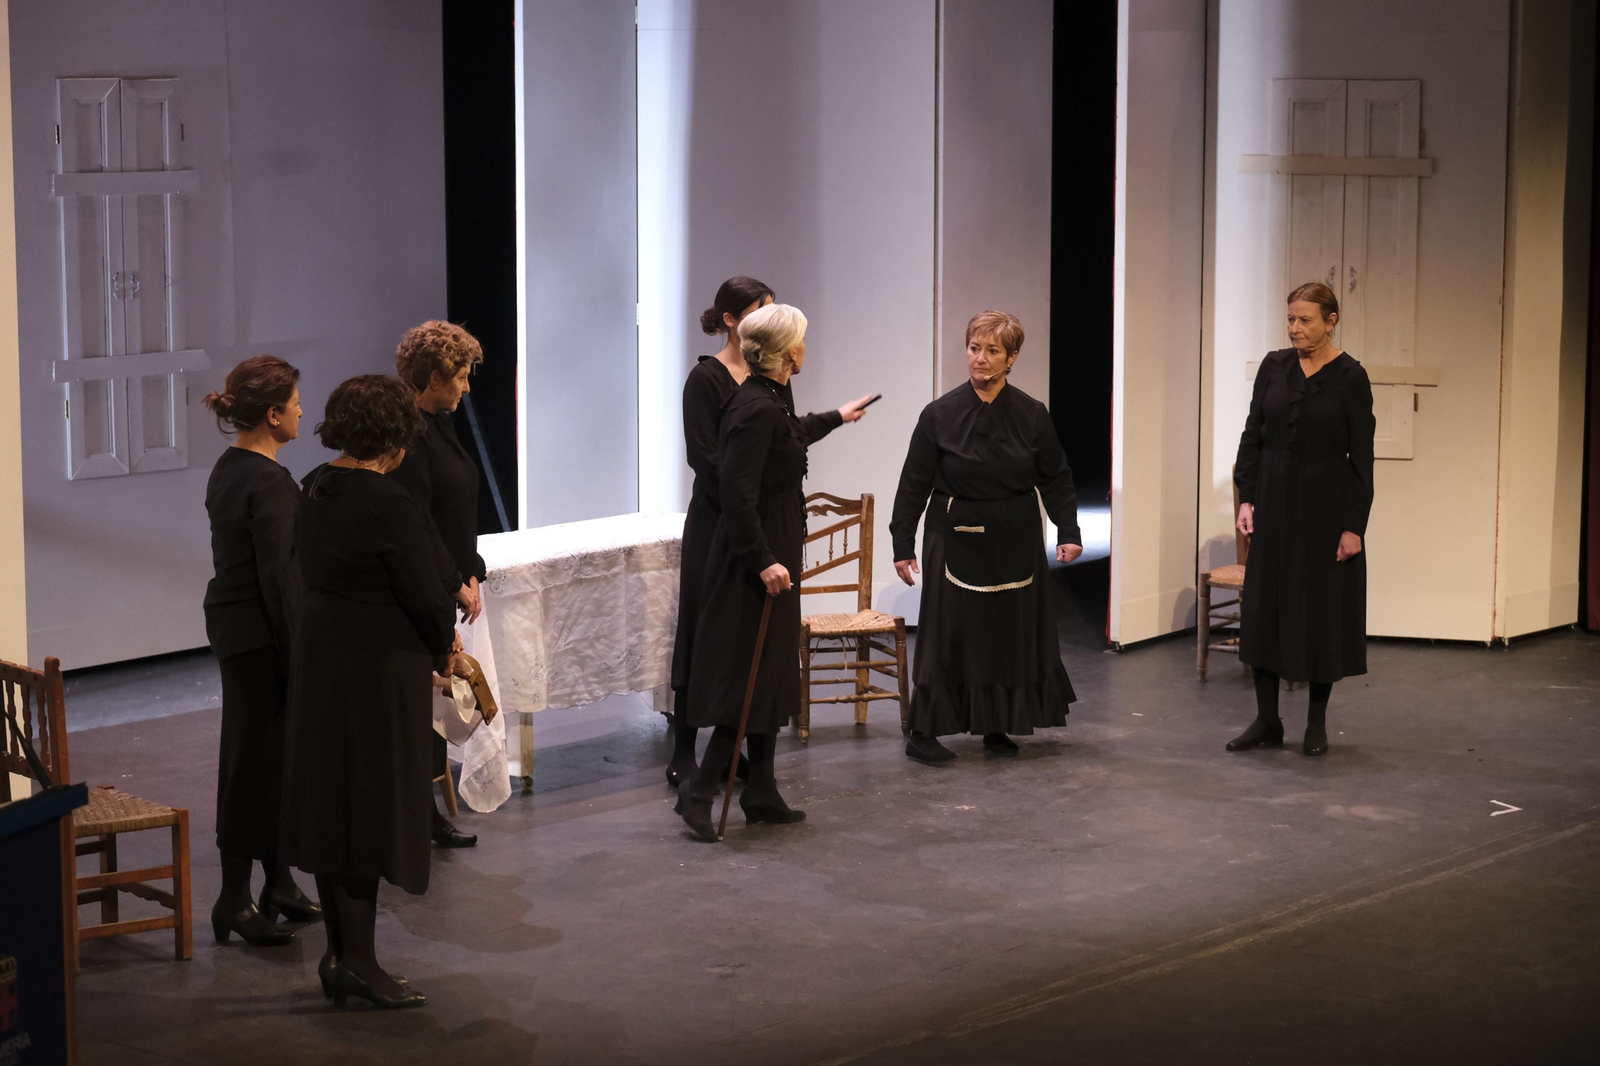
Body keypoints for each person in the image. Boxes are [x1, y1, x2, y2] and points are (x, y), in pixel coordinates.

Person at [279, 375, 459, 1009]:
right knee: (368, 810)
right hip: (377, 672)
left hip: (327, 662)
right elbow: (427, 595)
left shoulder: (317, 486)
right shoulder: (385, 501)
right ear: (396, 435)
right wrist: (444, 646)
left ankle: (343, 956)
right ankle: (355, 960)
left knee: (338, 808)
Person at [675, 303, 872, 841]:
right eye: (802, 340)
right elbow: (736, 496)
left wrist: (838, 416)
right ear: (788, 352)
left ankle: (761, 788)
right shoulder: (755, 407)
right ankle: (701, 789)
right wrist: (762, 560)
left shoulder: (771, 399)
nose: (807, 348)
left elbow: (792, 435)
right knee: (750, 673)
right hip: (753, 556)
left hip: (774, 543)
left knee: (772, 670)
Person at [890, 311, 1083, 765]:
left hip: (1015, 537)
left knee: (1006, 633)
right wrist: (903, 545)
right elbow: (912, 484)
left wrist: (1068, 530)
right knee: (948, 636)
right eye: (975, 348)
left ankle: (997, 725)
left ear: (1011, 358)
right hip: (955, 537)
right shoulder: (939, 414)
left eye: (992, 350)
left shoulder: (1032, 415)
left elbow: (1055, 477)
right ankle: (923, 732)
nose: (980, 359)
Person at [201, 356, 319, 947]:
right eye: (295, 402)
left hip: (235, 625)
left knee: (268, 759)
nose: (303, 409)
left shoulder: (230, 466)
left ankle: (279, 883)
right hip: (259, 637)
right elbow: (281, 581)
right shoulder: (269, 482)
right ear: (273, 414)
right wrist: (301, 657)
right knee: (252, 763)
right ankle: (232, 899)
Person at [1229, 282, 1375, 757]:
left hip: (1325, 509)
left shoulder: (1351, 377)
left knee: (1321, 612)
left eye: (1305, 320)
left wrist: (1354, 526)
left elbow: (1363, 459)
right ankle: (1267, 720)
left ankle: (1315, 722)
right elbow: (1252, 435)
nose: (1294, 328)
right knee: (1265, 609)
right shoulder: (1274, 367)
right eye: (1290, 318)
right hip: (1272, 502)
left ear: (1331, 321)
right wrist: (1247, 498)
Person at [391, 320, 486, 847]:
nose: (467, 387)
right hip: (424, 587)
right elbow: (418, 523)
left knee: (434, 700)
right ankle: (415, 814)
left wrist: (470, 567)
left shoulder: (442, 421)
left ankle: (422, 812)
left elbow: (456, 507)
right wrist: (452, 582)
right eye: (462, 377)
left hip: (446, 580)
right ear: (433, 379)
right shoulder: (410, 435)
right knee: (423, 701)